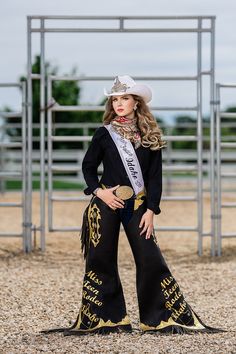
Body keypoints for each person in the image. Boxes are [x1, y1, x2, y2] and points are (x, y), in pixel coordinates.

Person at [42, 75, 220, 336]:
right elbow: (88, 167)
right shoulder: (104, 133)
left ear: (136, 103)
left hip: (137, 206)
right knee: (100, 260)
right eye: (115, 100)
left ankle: (160, 318)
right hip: (105, 204)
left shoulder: (150, 135)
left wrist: (151, 210)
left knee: (150, 258)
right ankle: (106, 319)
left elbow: (154, 177)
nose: (119, 104)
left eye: (124, 98)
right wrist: (99, 193)